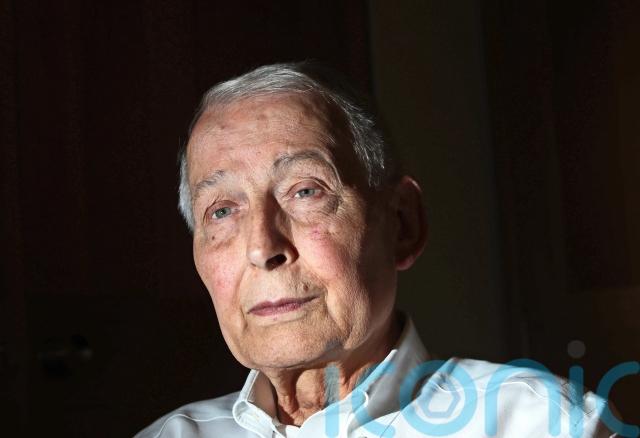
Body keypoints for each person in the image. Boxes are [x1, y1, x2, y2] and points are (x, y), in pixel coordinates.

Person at [136, 62, 617, 437]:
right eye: (222, 211)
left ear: (403, 223)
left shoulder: (542, 424)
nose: (263, 248)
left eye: (306, 191)